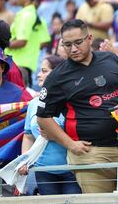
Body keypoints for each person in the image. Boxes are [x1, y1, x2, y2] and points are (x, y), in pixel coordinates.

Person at [36, 19, 118, 193]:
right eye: (67, 44)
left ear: (89, 39)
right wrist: (70, 144)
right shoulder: (57, 77)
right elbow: (42, 117)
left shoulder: (111, 59)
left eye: (78, 42)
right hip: (90, 154)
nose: (74, 49)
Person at [18, 55, 82, 195]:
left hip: (72, 169)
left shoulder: (72, 100)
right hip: (43, 171)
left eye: (44, 71)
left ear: (57, 73)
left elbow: (81, 131)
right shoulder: (34, 104)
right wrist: (24, 160)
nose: (39, 75)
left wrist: (57, 135)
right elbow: (28, 136)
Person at [5, 0, 50, 87]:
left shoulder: (26, 15)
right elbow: (44, 42)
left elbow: (21, 41)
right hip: (25, 65)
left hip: (17, 65)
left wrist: (3, 44)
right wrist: (31, 49)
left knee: (17, 100)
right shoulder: (37, 18)